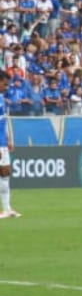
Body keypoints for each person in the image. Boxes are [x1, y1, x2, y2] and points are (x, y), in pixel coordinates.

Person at [0, 71, 17, 219]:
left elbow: (3, 122)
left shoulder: (1, 98)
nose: (7, 87)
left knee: (5, 174)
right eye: (5, 84)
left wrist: (8, 139)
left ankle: (7, 209)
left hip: (2, 142)